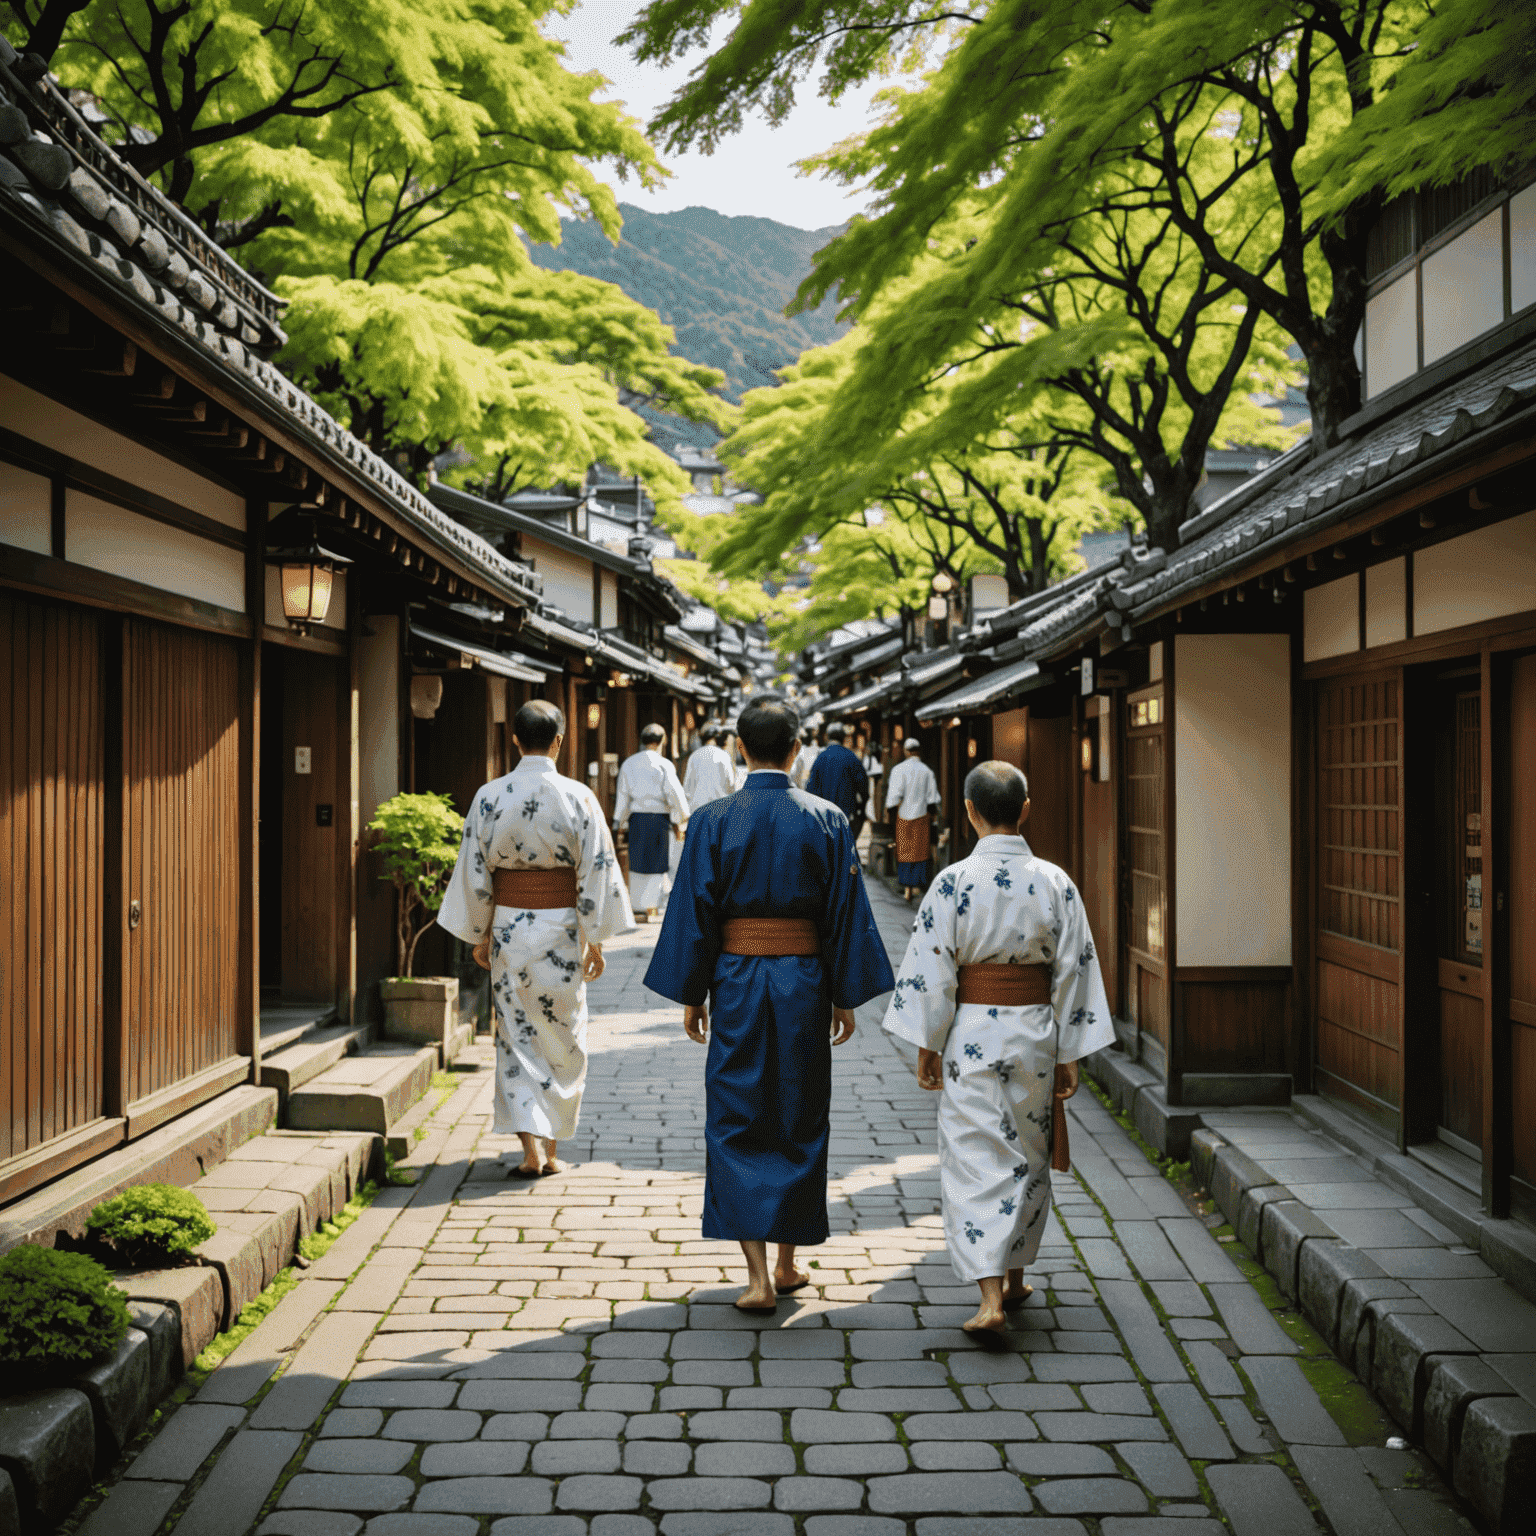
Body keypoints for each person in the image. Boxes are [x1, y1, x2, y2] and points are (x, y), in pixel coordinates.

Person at [645, 693, 895, 1312]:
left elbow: (695, 912)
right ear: (796, 749)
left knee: (737, 1109)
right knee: (799, 1107)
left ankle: (755, 1276)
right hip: (804, 980)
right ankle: (788, 1263)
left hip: (735, 979)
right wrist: (843, 995)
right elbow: (844, 915)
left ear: (739, 748)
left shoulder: (711, 820)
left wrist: (692, 992)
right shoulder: (829, 820)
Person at [882, 760, 1112, 1333]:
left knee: (975, 1155)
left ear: (968, 810)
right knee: (1028, 1151)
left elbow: (933, 971)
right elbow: (1073, 973)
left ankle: (990, 1297)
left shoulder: (952, 882)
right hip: (1034, 1030)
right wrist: (1069, 1054)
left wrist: (928, 1044)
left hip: (971, 1032)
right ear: (1026, 809)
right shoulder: (1056, 882)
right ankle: (1012, 1278)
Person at [439, 700, 634, 1178]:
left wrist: (482, 934)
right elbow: (596, 871)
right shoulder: (580, 798)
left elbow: (476, 871)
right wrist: (595, 939)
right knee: (563, 1035)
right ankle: (549, 1152)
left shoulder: (489, 796)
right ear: (560, 741)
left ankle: (530, 1152)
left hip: (508, 925)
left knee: (516, 1034)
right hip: (562, 927)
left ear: (514, 739)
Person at [614, 724, 690, 920]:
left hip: (637, 818)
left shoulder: (629, 763)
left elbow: (623, 796)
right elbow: (674, 794)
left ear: (642, 740)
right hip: (658, 818)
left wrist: (619, 823)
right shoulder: (664, 764)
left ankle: (636, 905)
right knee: (657, 862)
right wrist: (680, 817)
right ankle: (651, 907)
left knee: (637, 861)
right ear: (662, 741)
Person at [885, 737, 940, 900]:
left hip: (903, 815)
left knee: (904, 851)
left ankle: (907, 887)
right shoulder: (927, 771)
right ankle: (917, 886)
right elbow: (932, 799)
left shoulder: (898, 770)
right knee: (920, 851)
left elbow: (893, 797)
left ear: (906, 752)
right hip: (922, 816)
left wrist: (891, 812)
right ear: (918, 751)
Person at [805, 721, 868, 844]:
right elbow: (863, 787)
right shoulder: (851, 757)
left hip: (824, 817)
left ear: (827, 737)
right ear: (844, 738)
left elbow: (810, 788)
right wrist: (861, 809)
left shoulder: (820, 758)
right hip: (847, 815)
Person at [683, 722, 739, 812]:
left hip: (698, 808)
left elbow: (687, 787)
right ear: (717, 737)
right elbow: (731, 783)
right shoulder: (724, 755)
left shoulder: (694, 756)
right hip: (719, 808)